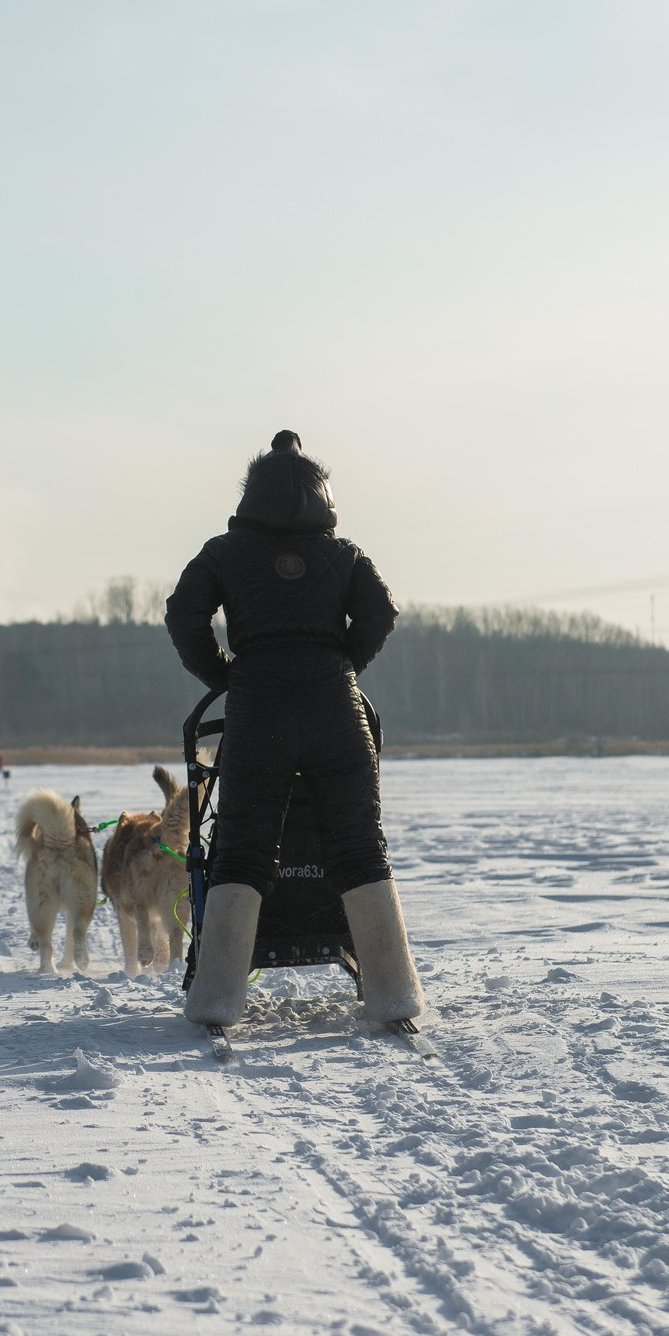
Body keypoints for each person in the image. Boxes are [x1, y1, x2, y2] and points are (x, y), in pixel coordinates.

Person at [163, 431, 427, 1029]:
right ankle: (393, 996)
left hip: (258, 710)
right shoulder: (345, 553)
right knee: (361, 846)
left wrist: (224, 673)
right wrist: (343, 665)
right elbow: (380, 612)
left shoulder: (224, 551)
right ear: (320, 494)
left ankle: (216, 1001)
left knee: (242, 850)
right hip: (337, 708)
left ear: (250, 494)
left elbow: (184, 612)